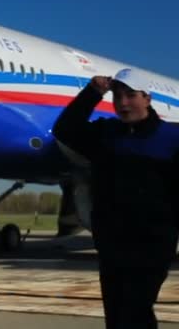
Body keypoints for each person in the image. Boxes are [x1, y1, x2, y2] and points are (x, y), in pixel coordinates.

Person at [53, 68, 179, 329]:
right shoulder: (106, 134)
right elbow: (65, 129)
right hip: (113, 245)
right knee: (117, 313)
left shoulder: (171, 137)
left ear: (147, 98)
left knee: (135, 310)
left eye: (131, 95)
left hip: (152, 245)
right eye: (118, 96)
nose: (123, 103)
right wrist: (92, 93)